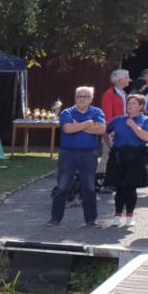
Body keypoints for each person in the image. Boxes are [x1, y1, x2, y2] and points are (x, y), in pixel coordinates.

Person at [49, 87, 106, 227]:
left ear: (91, 99)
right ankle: (55, 219)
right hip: (68, 154)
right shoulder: (67, 112)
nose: (82, 99)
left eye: (86, 96)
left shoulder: (97, 112)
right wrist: (88, 123)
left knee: (89, 188)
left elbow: (102, 129)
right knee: (62, 187)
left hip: (89, 154)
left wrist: (78, 126)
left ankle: (91, 220)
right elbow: (67, 129)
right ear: (75, 98)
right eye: (79, 96)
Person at [105, 92, 148, 228]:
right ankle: (117, 216)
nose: (130, 106)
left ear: (141, 106)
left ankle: (130, 216)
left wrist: (133, 125)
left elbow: (146, 137)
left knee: (131, 187)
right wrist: (110, 144)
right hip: (119, 155)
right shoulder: (118, 120)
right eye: (129, 103)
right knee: (120, 187)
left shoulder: (146, 120)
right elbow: (105, 131)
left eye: (134, 103)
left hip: (137, 156)